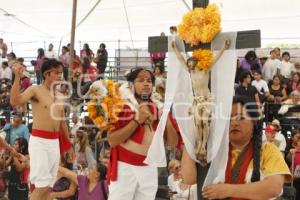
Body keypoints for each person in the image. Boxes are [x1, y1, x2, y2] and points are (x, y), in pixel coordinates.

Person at [107, 68, 179, 200]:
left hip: (149, 168)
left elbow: (172, 143)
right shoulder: (121, 106)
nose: (146, 84)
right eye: (140, 80)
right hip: (125, 167)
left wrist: (166, 118)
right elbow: (112, 141)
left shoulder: (157, 107)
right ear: (130, 85)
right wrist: (136, 120)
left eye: (149, 81)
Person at [201, 96, 291, 199]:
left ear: (254, 123)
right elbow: (188, 178)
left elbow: (273, 188)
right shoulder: (215, 151)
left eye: (241, 118)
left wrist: (227, 190)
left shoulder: (268, 149)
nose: (234, 123)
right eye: (229, 119)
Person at [10, 59, 72, 200]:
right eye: (57, 73)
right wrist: (17, 78)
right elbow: (14, 101)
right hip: (40, 142)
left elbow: (62, 123)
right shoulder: (35, 90)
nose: (60, 76)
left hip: (54, 142)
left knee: (49, 187)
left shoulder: (61, 96)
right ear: (47, 73)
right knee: (42, 186)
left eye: (61, 73)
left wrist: (68, 146)